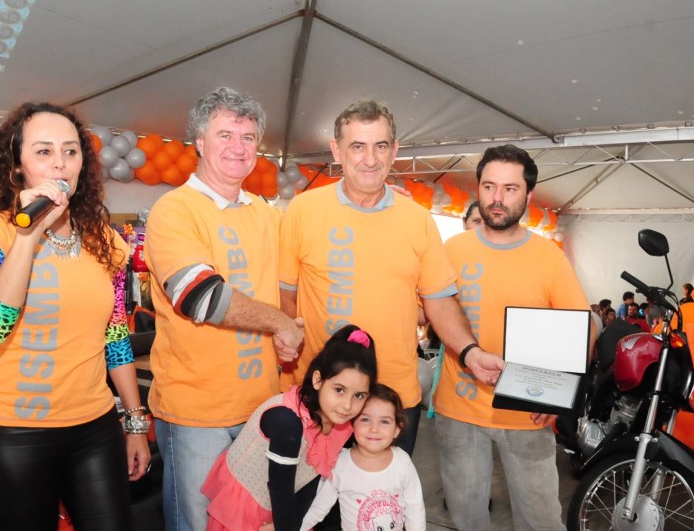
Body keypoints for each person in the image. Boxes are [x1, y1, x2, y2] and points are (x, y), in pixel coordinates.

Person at [0, 102, 150, 531]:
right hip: (11, 435)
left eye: (70, 151)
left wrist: (135, 421)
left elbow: (114, 335)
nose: (59, 163)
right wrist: (27, 237)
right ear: (18, 166)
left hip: (94, 427)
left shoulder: (106, 242)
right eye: (44, 151)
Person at [278, 100, 497, 456]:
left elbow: (439, 302)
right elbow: (285, 293)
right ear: (337, 150)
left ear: (394, 151)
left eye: (380, 146)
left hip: (390, 403)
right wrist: (286, 344)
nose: (370, 159)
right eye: (357, 146)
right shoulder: (303, 210)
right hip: (321, 399)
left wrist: (471, 354)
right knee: (312, 494)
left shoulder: (418, 219)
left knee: (384, 494)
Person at [145, 87, 305, 531]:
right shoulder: (174, 210)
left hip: (261, 407)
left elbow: (294, 281)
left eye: (249, 137)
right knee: (197, 525)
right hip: (197, 413)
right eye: (225, 135)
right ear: (199, 141)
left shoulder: (268, 215)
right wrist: (280, 324)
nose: (239, 147)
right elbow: (199, 297)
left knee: (253, 523)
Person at [434, 144, 592, 531]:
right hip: (458, 410)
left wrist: (557, 395)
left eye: (510, 188)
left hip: (527, 413)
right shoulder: (451, 250)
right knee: (467, 519)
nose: (497, 198)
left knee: (541, 521)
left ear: (528, 194)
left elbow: (582, 328)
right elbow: (431, 311)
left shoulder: (549, 257)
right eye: (489, 187)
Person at [202, 324, 378, 531]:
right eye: (339, 390)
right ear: (318, 380)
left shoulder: (340, 422)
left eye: (359, 396)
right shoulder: (287, 421)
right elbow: (281, 487)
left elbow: (309, 480)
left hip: (287, 510)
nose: (348, 405)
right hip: (246, 508)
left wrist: (292, 525)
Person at [300, 383, 426, 531]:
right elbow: (318, 509)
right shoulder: (339, 463)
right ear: (352, 425)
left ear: (397, 429)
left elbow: (415, 509)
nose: (374, 429)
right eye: (365, 419)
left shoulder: (402, 462)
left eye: (384, 421)